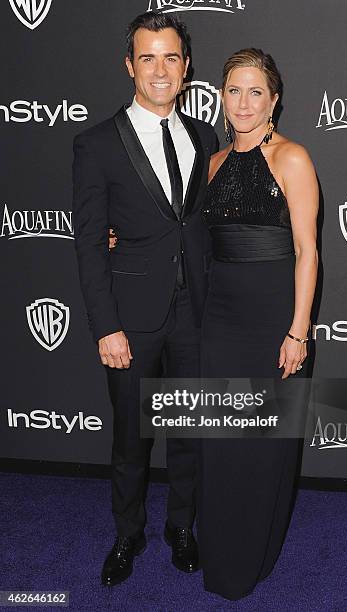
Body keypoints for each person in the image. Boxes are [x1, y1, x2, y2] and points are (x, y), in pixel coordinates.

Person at [72, 12, 218, 587]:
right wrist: (105, 325)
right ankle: (127, 533)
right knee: (132, 440)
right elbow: (88, 244)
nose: (161, 69)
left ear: (186, 68)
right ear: (130, 66)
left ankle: (181, 527)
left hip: (196, 314)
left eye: (172, 57)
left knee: (190, 433)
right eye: (148, 58)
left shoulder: (206, 137)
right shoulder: (96, 144)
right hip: (131, 319)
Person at [197, 48, 319, 600]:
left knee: (263, 442)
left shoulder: (292, 157)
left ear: (274, 100)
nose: (242, 103)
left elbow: (307, 250)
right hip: (219, 318)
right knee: (223, 440)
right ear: (221, 97)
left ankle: (256, 553)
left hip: (272, 318)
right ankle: (223, 552)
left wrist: (298, 330)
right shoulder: (215, 163)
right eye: (232, 91)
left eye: (254, 92)